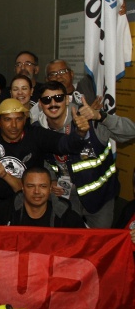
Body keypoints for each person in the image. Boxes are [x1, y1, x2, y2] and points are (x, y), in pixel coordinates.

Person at [33, 81, 135, 228]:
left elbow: (131, 132)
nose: (53, 104)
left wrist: (101, 116)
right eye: (47, 100)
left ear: (67, 99)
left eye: (58, 98)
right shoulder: (37, 130)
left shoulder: (89, 119)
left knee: (99, 240)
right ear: (40, 104)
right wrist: (52, 180)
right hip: (66, 198)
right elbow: (42, 160)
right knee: (71, 240)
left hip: (100, 198)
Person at [5, 166, 86, 228]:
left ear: (50, 188)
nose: (37, 191)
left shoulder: (68, 218)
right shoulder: (6, 213)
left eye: (43, 186)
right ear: (23, 188)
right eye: (31, 186)